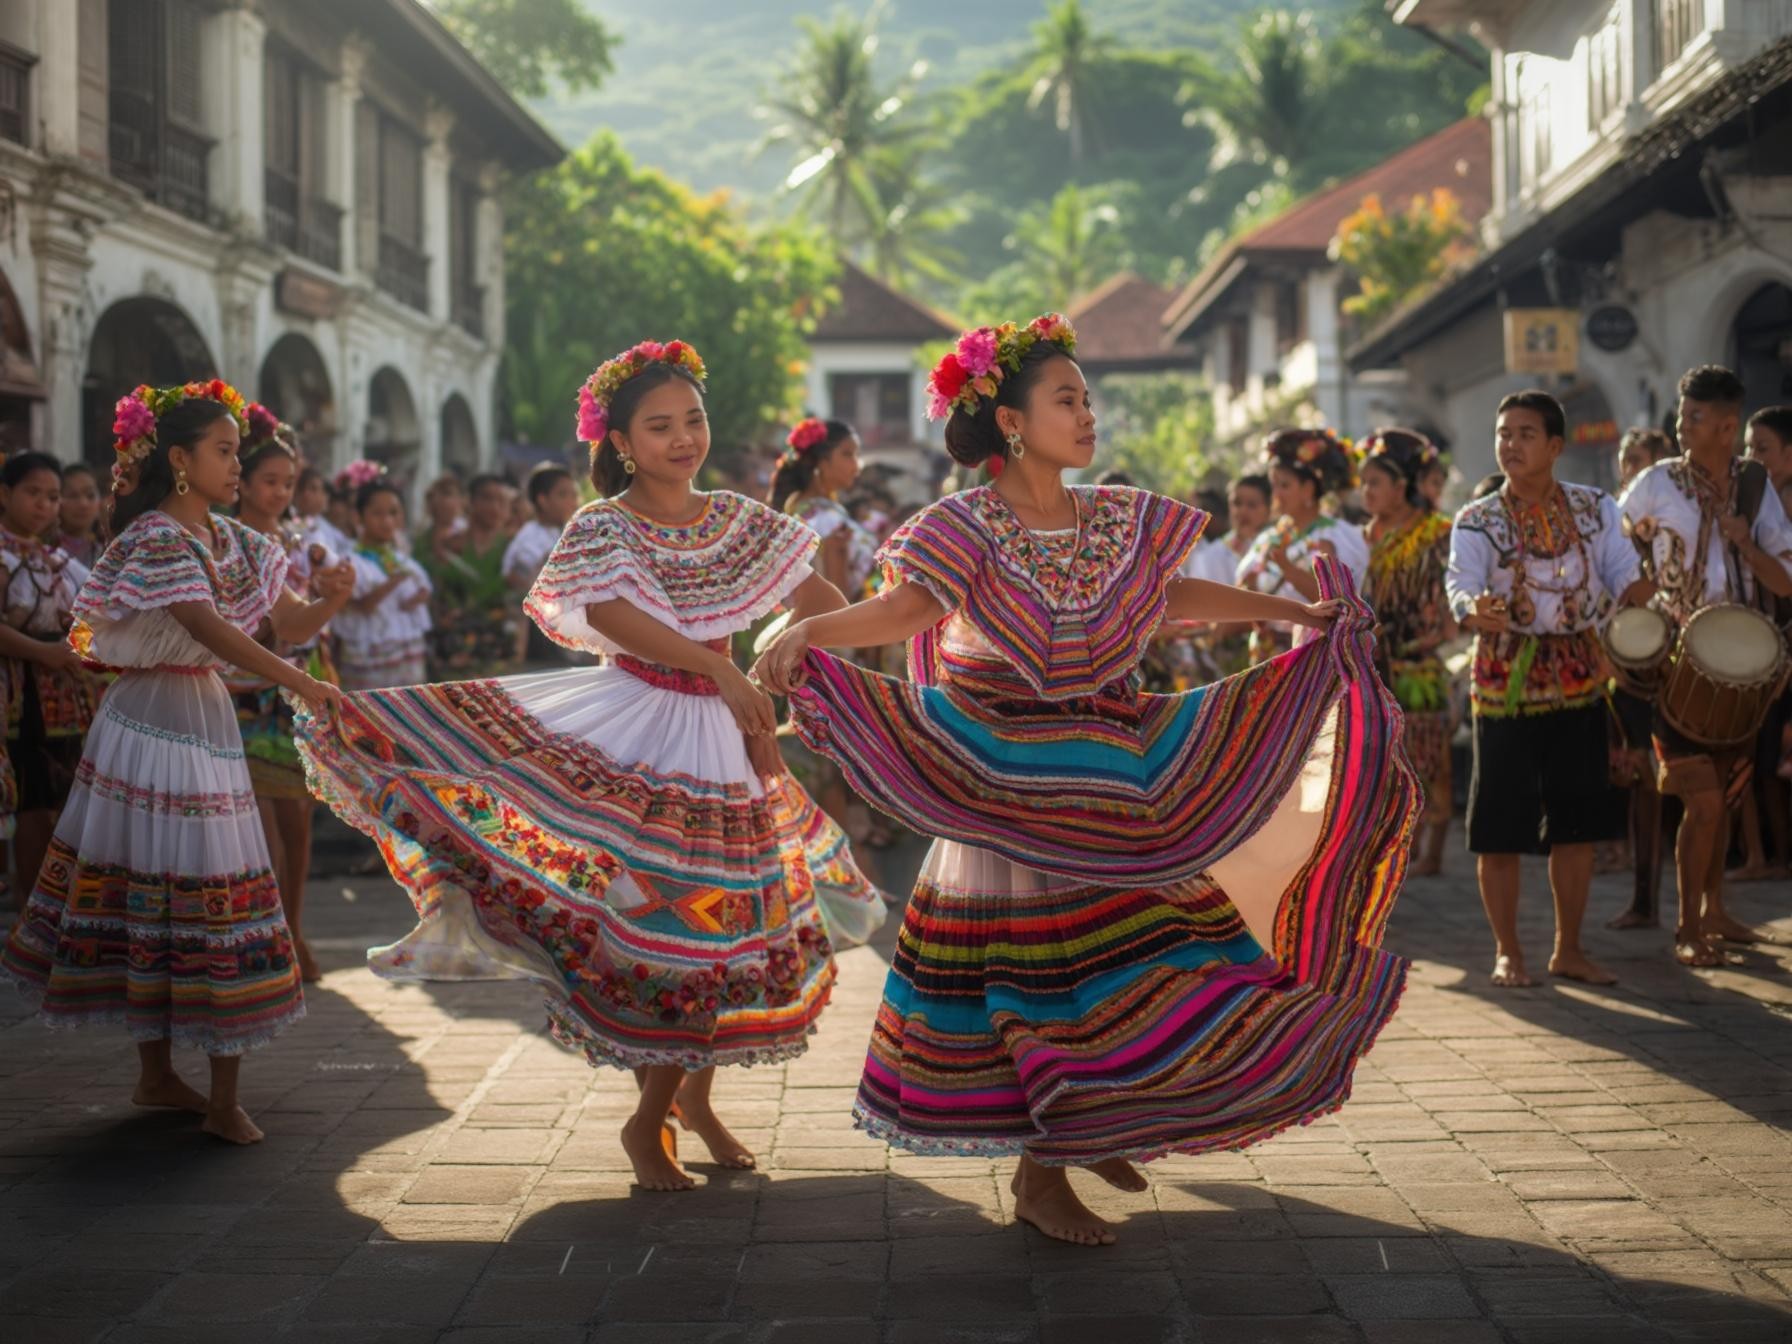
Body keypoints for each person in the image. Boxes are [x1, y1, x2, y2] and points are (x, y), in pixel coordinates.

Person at [754, 314, 1418, 1247]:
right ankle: (1046, 1171)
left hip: (1115, 771)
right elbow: (906, 608)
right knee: (1052, 977)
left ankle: (1093, 1117)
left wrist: (1295, 613)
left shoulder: (1114, 514)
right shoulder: (965, 524)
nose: (1087, 412)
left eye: (1088, 397)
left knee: (1156, 953)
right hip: (1013, 781)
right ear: (1013, 422)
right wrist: (808, 631)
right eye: (1067, 398)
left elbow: (1170, 600)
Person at [294, 340, 885, 1192]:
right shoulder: (604, 524)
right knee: (676, 934)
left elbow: (814, 598)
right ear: (620, 442)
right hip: (642, 730)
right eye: (660, 426)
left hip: (725, 737)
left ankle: (694, 1103)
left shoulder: (734, 517)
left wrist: (855, 633)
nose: (683, 438)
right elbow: (605, 608)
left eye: (693, 419)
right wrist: (722, 664)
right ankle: (648, 1123)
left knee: (728, 930)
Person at [0, 380, 347, 1143]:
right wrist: (300, 683)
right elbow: (204, 626)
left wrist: (329, 601)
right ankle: (165, 1077)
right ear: (181, 461)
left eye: (235, 451)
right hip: (149, 721)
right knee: (160, 881)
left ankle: (214, 1089)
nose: (235, 464)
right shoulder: (156, 536)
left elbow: (283, 622)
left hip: (200, 717)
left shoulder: (242, 542)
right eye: (223, 452)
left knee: (210, 879)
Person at [1447, 390, 1651, 988]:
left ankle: (1569, 948)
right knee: (1499, 826)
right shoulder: (1477, 518)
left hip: (1580, 677)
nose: (1510, 444)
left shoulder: (1596, 508)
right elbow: (1460, 583)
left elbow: (1622, 572)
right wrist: (1471, 607)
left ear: (1556, 446)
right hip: (1504, 681)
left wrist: (1640, 596)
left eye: (1525, 434)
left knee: (1577, 822)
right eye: (1503, 433)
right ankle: (1508, 950)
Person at [1620, 368, 1792, 965]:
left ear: (1726, 426)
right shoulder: (1655, 483)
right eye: (1681, 413)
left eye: (1695, 417)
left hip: (1745, 663)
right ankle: (1688, 928)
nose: (1681, 424)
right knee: (1706, 801)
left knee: (1728, 797)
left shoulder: (1754, 487)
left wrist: (1747, 543)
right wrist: (1635, 595)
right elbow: (1615, 553)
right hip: (1675, 660)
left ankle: (1715, 910)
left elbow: (1785, 579)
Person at [229, 404, 353, 982]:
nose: (280, 492)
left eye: (289, 483)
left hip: (296, 687)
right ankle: (267, 935)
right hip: (245, 693)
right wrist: (325, 603)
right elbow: (281, 623)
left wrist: (330, 595)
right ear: (242, 483)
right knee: (259, 825)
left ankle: (293, 928)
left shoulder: (302, 541)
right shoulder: (228, 541)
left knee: (297, 820)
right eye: (269, 482)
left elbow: (302, 624)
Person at [0, 454, 101, 899]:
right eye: (33, 493)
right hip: (14, 690)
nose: (44, 505)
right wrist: (45, 651)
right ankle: (26, 906)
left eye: (52, 497)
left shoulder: (56, 559)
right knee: (27, 800)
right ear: (4, 495)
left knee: (57, 798)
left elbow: (92, 610)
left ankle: (46, 911)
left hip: (59, 692)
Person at [1359, 430, 1456, 875]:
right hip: (1377, 658)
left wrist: (1436, 633)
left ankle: (1432, 849)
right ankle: (1401, 843)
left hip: (1419, 659)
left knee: (1429, 756)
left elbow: (1450, 594)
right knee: (1387, 757)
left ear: (1402, 486)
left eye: (1375, 482)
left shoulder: (1437, 532)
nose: (1367, 492)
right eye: (1364, 482)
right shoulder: (1368, 534)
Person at [1237, 428, 1371, 661]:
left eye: (1284, 485)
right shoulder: (1269, 538)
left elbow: (1338, 605)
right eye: (1274, 485)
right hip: (1266, 655)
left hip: (1312, 658)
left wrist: (1287, 569)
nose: (1276, 494)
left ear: (1308, 489)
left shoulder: (1332, 536)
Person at [334, 477, 433, 690]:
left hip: (406, 653)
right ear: (358, 517)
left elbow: (423, 588)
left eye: (393, 513)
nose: (387, 521)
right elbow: (362, 606)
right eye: (377, 514)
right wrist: (394, 580)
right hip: (369, 655)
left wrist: (418, 597)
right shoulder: (350, 561)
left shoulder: (400, 557)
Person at [771, 418, 878, 601]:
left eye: (856, 455)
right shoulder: (824, 520)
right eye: (847, 454)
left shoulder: (805, 513)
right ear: (821, 461)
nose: (856, 465)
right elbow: (836, 600)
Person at [423, 473, 516, 677]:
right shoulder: (448, 548)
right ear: (470, 502)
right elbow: (434, 600)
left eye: (501, 500)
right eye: (487, 498)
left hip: (497, 655)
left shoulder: (513, 550)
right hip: (451, 655)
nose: (494, 507)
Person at [50, 461, 107, 568]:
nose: (83, 504)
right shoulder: (45, 549)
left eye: (90, 495)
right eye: (72, 496)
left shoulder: (109, 550)